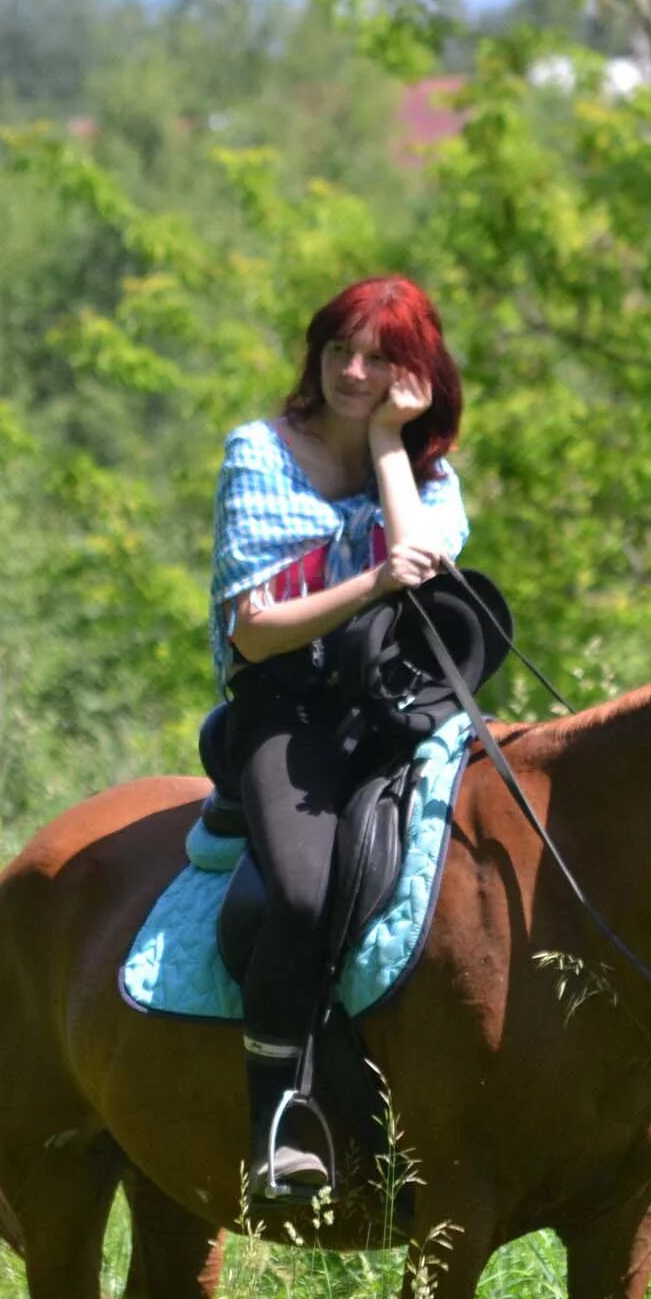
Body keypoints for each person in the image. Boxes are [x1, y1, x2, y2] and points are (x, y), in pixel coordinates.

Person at [208, 276, 471, 1208]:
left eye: (378, 356)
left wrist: (393, 445)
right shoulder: (261, 454)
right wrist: (365, 588)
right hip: (286, 711)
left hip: (399, 710)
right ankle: (273, 1119)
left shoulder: (431, 477)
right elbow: (253, 628)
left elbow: (424, 572)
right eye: (336, 350)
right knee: (308, 886)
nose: (351, 371)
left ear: (417, 375)